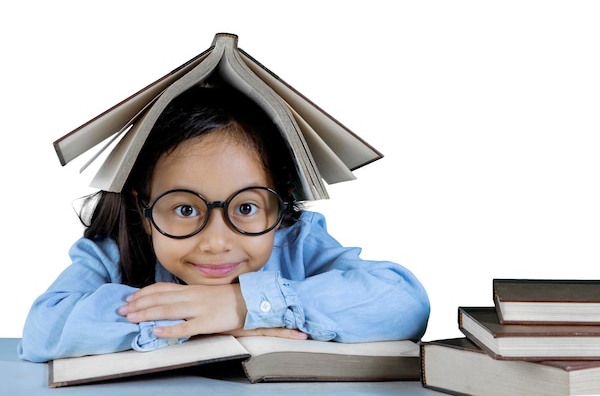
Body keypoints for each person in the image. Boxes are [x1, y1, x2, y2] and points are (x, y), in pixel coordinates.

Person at [18, 84, 430, 362]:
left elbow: (403, 303)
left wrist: (240, 305)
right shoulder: (112, 252)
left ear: (280, 206)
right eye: (184, 209)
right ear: (143, 212)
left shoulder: (298, 243)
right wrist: (194, 324)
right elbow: (41, 330)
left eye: (247, 208)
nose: (217, 242)